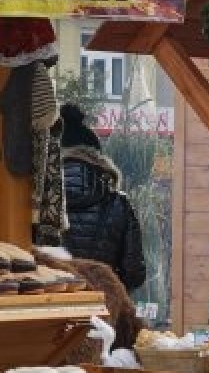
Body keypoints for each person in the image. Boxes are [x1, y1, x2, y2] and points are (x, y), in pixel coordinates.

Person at [59, 104, 147, 293]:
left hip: (48, 309)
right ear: (98, 158)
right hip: (103, 310)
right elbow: (134, 273)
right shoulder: (118, 204)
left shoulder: (36, 201)